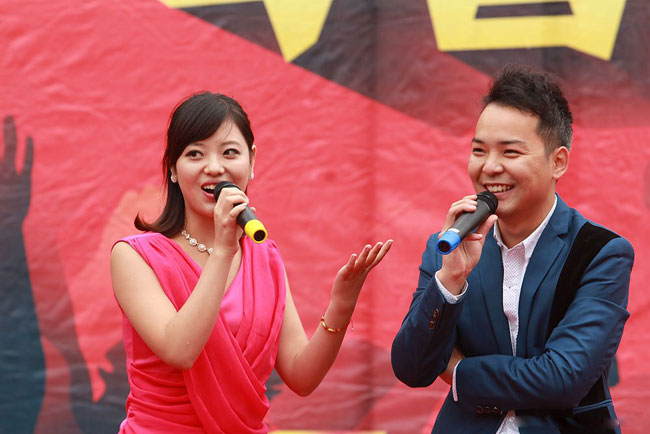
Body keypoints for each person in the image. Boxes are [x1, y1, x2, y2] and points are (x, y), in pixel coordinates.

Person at [111, 92, 392, 433]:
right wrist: (224, 250)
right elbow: (179, 350)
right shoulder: (134, 256)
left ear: (252, 160)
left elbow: (301, 376)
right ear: (172, 167)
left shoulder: (265, 258)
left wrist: (341, 305)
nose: (214, 167)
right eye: (195, 154)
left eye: (229, 152)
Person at [391, 64, 633, 434]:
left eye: (510, 152)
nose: (490, 167)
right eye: (479, 150)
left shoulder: (600, 252)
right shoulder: (448, 245)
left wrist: (459, 372)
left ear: (558, 162)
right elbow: (412, 368)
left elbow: (563, 379)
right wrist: (450, 281)